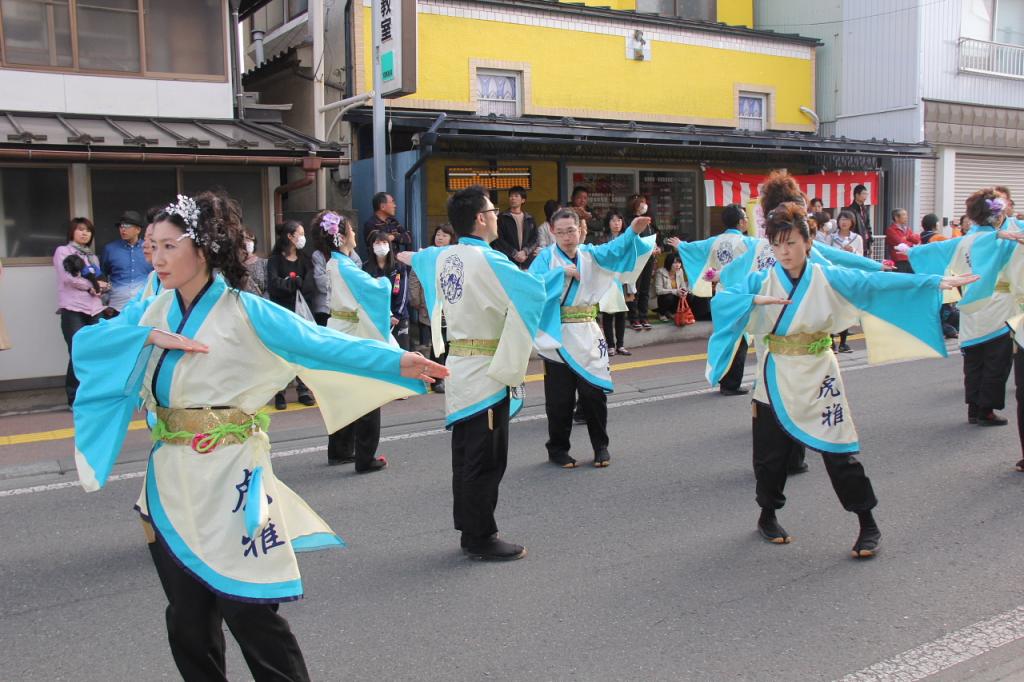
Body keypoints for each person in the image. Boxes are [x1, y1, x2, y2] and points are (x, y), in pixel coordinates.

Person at [70, 191, 446, 682]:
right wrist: (143, 336)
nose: (155, 258)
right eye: (150, 247)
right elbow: (89, 343)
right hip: (170, 479)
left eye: (167, 246)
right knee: (187, 618)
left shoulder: (247, 311)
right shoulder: (151, 309)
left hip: (231, 475)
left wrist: (398, 359)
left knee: (249, 613)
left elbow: (321, 344)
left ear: (203, 247)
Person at [707, 201, 975, 558]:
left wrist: (934, 282)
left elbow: (873, 283)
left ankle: (868, 522)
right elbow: (725, 301)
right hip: (775, 372)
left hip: (818, 371)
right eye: (777, 244)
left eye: (791, 242)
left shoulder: (826, 275)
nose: (784, 252)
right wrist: (753, 299)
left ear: (808, 242)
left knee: (839, 450)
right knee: (770, 457)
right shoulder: (762, 278)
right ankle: (767, 515)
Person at [403, 185, 547, 561]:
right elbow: (533, 294)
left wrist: (408, 254)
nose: (497, 215)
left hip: (460, 364)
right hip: (486, 369)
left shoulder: (445, 256)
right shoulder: (492, 260)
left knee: (466, 454)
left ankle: (470, 530)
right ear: (481, 218)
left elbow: (421, 256)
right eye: (493, 210)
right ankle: (481, 536)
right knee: (486, 458)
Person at [530, 207, 655, 469]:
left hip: (587, 330)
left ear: (580, 231)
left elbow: (616, 250)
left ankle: (601, 446)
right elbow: (530, 286)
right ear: (552, 232)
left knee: (593, 394)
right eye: (561, 232)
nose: (566, 237)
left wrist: (633, 230)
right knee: (559, 399)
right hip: (557, 334)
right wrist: (559, 274)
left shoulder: (591, 255)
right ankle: (557, 448)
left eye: (571, 231)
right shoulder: (544, 259)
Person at [909, 188, 1019, 426]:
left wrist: (908, 251)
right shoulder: (1000, 238)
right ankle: (986, 410)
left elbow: (926, 252)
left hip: (969, 300)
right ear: (997, 214)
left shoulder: (965, 239)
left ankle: (974, 407)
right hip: (998, 303)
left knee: (973, 358)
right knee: (996, 360)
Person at [320, 210, 393, 472]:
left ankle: (339, 449)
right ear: (340, 236)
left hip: (339, 327)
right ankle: (365, 457)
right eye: (350, 230)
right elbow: (374, 290)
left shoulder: (334, 263)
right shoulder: (345, 266)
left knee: (344, 391)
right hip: (352, 331)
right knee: (368, 392)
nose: (354, 234)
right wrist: (385, 282)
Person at [669, 204, 760, 395]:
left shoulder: (715, 241)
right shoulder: (749, 243)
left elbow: (694, 248)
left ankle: (723, 377)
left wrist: (681, 246)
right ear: (741, 221)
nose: (747, 220)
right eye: (745, 217)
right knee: (740, 341)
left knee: (725, 337)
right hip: (741, 296)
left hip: (721, 296)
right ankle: (731, 384)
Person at [53, 217, 108, 406]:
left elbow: (100, 278)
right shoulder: (63, 251)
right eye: (80, 229)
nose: (85, 233)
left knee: (95, 352)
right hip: (73, 309)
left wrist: (102, 286)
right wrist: (92, 286)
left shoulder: (92, 256)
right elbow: (69, 278)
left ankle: (92, 394)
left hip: (95, 309)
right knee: (78, 352)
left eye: (88, 230)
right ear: (72, 232)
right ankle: (74, 397)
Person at [267, 220, 317, 410]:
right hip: (281, 312)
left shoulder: (306, 260)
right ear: (290, 236)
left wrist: (289, 282)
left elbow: (309, 286)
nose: (303, 238)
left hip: (302, 312)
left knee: (301, 351)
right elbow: (274, 286)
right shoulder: (274, 261)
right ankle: (280, 392)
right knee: (282, 354)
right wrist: (294, 283)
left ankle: (303, 389)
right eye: (300, 233)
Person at [409, 224, 457, 393]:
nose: (440, 237)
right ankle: (436, 381)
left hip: (451, 308)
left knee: (450, 343)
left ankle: (449, 376)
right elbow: (415, 278)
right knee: (437, 344)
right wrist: (417, 301)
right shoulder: (426, 255)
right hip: (431, 306)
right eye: (438, 234)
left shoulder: (455, 256)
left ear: (451, 238)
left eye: (444, 235)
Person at [364, 230, 411, 350]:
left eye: (384, 242)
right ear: (372, 246)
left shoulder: (399, 266)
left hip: (398, 317)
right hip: (376, 317)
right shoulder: (366, 268)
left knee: (401, 351)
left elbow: (404, 292)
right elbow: (367, 294)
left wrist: (397, 314)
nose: (381, 246)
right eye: (377, 243)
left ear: (389, 246)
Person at [101, 210, 153, 312]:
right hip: (116, 307)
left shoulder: (148, 248)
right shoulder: (110, 249)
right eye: (121, 226)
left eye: (127, 226)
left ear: (138, 229)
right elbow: (102, 277)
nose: (123, 229)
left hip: (144, 305)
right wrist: (105, 303)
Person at [598, 211, 632, 356]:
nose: (616, 223)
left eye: (619, 220)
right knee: (607, 312)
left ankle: (621, 345)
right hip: (606, 279)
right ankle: (610, 345)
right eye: (613, 220)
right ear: (608, 223)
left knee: (620, 312)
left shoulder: (626, 239)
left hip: (621, 280)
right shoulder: (603, 239)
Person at [624, 194, 660, 330]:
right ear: (635, 205)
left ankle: (643, 316)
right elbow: (634, 241)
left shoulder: (648, 221)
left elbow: (653, 237)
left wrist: (656, 247)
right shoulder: (630, 221)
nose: (644, 205)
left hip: (649, 259)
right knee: (634, 288)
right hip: (636, 259)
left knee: (645, 288)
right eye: (641, 203)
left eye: (645, 202)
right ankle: (634, 318)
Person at [494, 186, 537, 269]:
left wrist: (525, 252)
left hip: (526, 261)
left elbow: (535, 238)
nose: (512, 198)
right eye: (511, 196)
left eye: (516, 196)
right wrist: (514, 253)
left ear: (523, 200)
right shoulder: (502, 218)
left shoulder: (529, 219)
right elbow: (498, 240)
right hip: (508, 261)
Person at [309, 211, 336, 327]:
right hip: (323, 308)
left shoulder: (349, 253)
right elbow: (321, 283)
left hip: (344, 309)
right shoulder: (318, 255)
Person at [654, 252, 688, 322]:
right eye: (675, 263)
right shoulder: (660, 272)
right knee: (669, 297)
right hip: (663, 298)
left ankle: (672, 312)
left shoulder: (680, 271)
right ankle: (662, 313)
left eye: (679, 262)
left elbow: (683, 284)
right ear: (669, 263)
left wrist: (684, 291)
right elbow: (658, 290)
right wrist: (675, 291)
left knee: (689, 296)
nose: (678, 265)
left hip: (676, 296)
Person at [885, 208, 920, 273]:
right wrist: (910, 242)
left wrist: (906, 239)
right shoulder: (891, 230)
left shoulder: (907, 229)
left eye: (906, 215)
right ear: (896, 218)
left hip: (910, 258)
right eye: (904, 215)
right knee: (900, 280)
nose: (906, 217)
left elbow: (916, 240)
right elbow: (900, 243)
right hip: (899, 260)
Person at [844, 184, 874, 254]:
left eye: (866, 194)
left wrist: (870, 243)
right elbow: (850, 228)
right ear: (857, 195)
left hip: (865, 243)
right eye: (864, 194)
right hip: (855, 242)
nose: (865, 197)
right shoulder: (850, 210)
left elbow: (868, 226)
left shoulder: (865, 209)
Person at [242, 229, 268, 297]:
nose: (245, 242)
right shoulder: (234, 266)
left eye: (248, 239)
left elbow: (270, 288)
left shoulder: (264, 263)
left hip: (260, 304)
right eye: (242, 239)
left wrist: (263, 302)